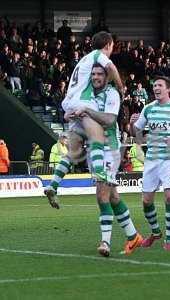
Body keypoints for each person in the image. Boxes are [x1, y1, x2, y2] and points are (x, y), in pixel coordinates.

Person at [45, 64, 142, 256]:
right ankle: (133, 236)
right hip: (94, 149)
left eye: (99, 74)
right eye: (93, 74)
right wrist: (70, 114)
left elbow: (109, 120)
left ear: (107, 76)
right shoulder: (85, 91)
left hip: (109, 149)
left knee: (101, 194)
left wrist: (87, 112)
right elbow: (68, 112)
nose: (96, 77)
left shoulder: (112, 94)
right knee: (113, 196)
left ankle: (105, 242)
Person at [130, 76, 170, 251]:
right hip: (151, 160)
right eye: (154, 86)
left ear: (168, 89)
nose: (156, 88)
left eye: (159, 85)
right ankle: (156, 232)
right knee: (146, 201)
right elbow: (136, 134)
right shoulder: (148, 109)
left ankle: (169, 238)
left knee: (169, 196)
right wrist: (131, 125)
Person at [62, 31, 124, 182]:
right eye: (112, 46)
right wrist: (121, 87)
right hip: (83, 101)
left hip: (70, 101)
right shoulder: (97, 55)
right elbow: (112, 68)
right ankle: (100, 172)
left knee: (73, 149)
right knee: (97, 136)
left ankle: (53, 184)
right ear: (108, 45)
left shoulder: (84, 59)